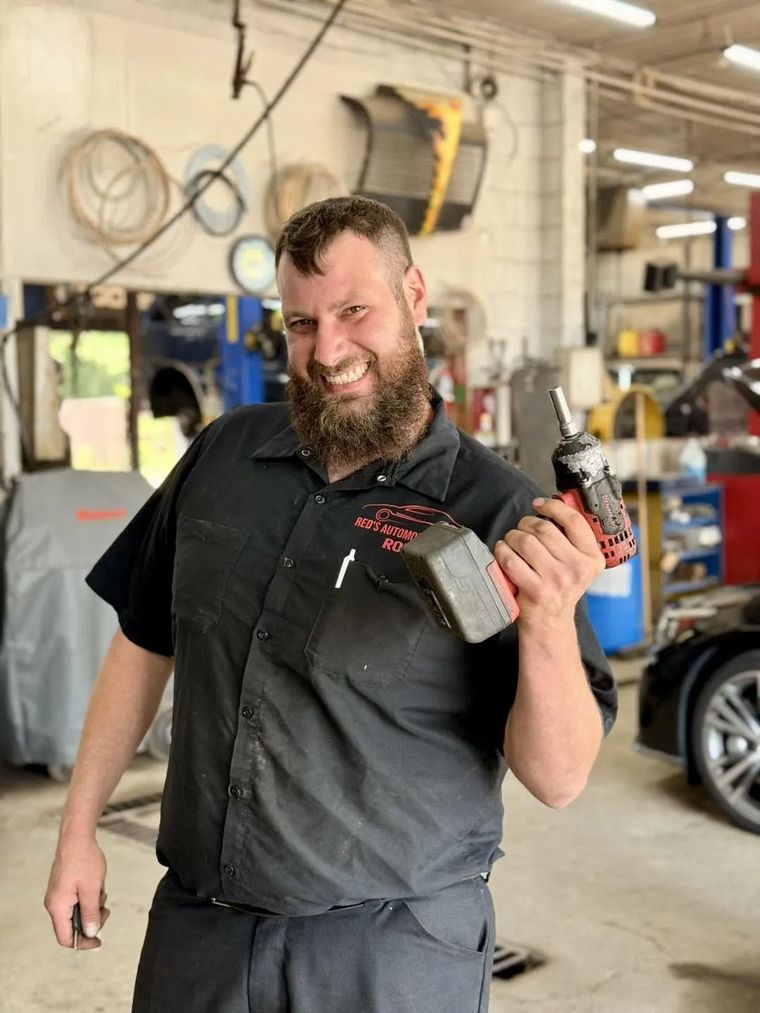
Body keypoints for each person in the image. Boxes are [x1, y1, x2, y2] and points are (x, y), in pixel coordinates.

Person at [45, 196, 617, 1013]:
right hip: (200, 935)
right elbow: (144, 641)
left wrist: (551, 619)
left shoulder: (498, 511)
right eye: (303, 323)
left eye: (355, 310)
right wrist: (78, 826)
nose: (330, 349)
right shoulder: (224, 453)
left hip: (388, 955)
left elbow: (558, 778)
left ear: (414, 297)